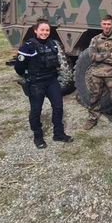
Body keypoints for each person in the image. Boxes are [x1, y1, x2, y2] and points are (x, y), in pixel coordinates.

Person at [14, 18, 73, 149]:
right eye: (42, 30)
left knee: (58, 107)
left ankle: (58, 133)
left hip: (52, 81)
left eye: (47, 30)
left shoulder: (53, 44)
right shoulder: (28, 46)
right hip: (36, 83)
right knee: (36, 111)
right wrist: (29, 76)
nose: (45, 32)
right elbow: (19, 67)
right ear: (36, 30)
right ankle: (38, 136)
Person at [83, 14, 112, 135]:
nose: (107, 26)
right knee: (94, 97)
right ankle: (92, 118)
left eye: (109, 24)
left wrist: (101, 57)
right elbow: (92, 56)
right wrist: (108, 55)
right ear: (101, 24)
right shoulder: (95, 39)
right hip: (96, 73)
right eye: (104, 24)